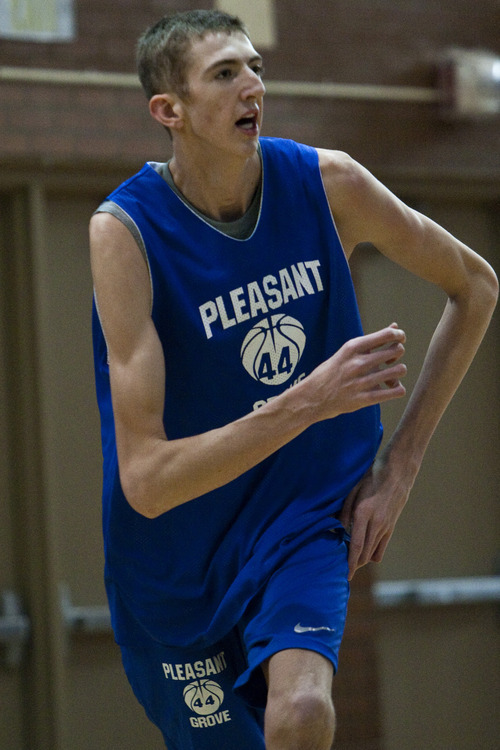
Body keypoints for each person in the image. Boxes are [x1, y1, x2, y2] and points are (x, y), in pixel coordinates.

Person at [89, 9, 497, 750]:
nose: (252, 86)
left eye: (255, 68)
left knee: (303, 713)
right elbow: (146, 480)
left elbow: (476, 286)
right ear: (167, 110)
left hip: (302, 521)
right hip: (176, 564)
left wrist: (400, 465)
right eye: (225, 73)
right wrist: (309, 399)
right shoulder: (124, 234)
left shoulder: (325, 181)